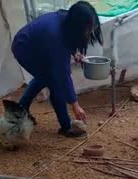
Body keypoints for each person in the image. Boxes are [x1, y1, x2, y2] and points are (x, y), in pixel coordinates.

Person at [11, 1, 102, 137]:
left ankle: (21, 108)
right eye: (88, 29)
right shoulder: (56, 37)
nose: (90, 32)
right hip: (25, 48)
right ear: (78, 25)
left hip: (39, 44)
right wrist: (75, 104)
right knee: (55, 82)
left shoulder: (67, 20)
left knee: (46, 77)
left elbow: (68, 37)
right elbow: (63, 75)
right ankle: (66, 127)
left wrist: (74, 53)